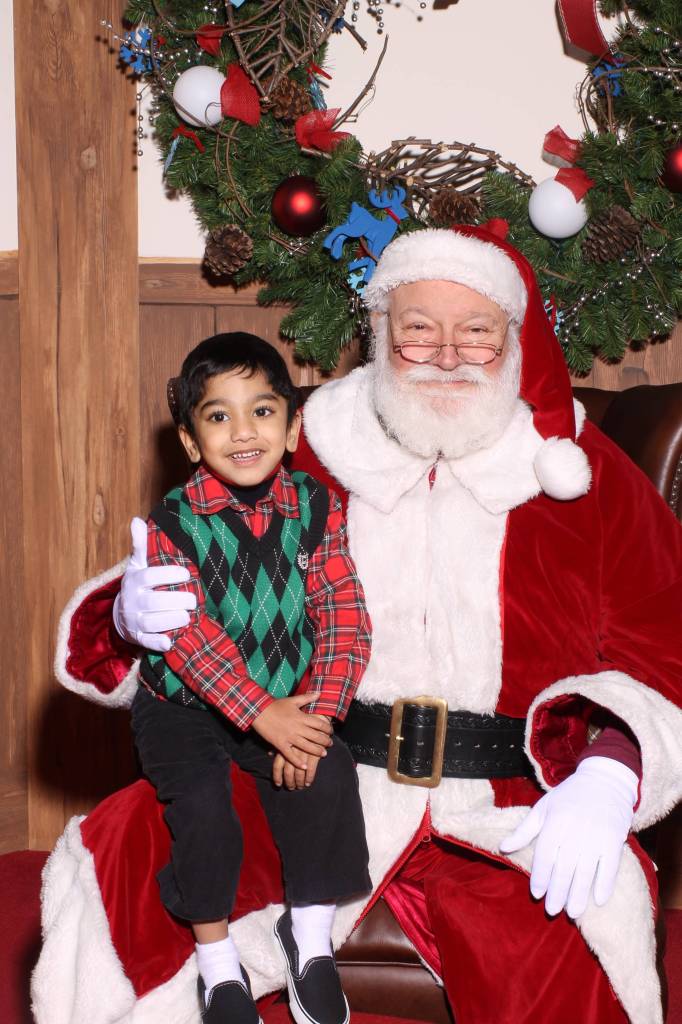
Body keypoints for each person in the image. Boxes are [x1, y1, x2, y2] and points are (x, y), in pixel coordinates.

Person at [38, 226, 682, 1024]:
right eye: (418, 330)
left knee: (569, 961)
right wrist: (130, 618)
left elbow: (666, 647)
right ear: (380, 334)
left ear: (514, 339)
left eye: (476, 332)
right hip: (306, 763)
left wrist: (611, 772)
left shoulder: (581, 473)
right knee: (127, 866)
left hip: (509, 806)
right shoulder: (308, 445)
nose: (447, 354)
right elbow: (191, 566)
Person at [59, 331, 373, 1024]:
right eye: (218, 416)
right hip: (184, 706)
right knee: (204, 808)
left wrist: (317, 717)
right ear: (191, 442)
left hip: (284, 697)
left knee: (330, 774)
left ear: (292, 428)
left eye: (262, 411)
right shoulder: (172, 522)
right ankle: (216, 961)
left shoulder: (317, 507)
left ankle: (309, 939)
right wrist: (263, 715)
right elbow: (190, 640)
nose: (243, 432)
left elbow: (344, 612)